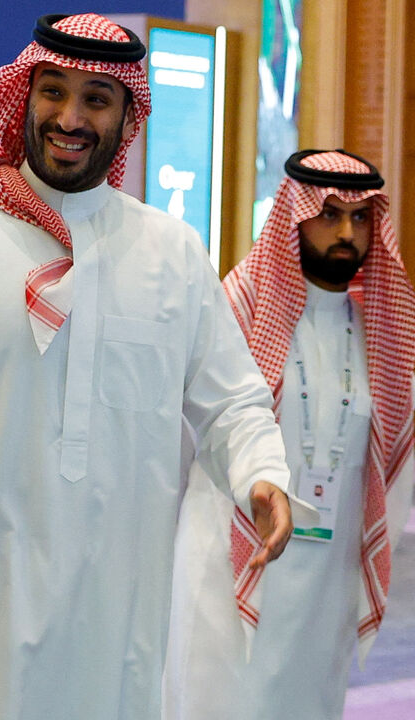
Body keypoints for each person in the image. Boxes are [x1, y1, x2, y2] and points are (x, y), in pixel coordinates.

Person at [0, 13, 301, 719]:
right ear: (24, 96)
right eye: (53, 91)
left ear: (128, 114)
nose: (69, 116)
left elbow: (232, 401)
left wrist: (261, 475)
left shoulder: (171, 253)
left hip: (112, 615)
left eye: (97, 98)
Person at [164, 150, 415, 720]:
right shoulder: (239, 309)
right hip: (229, 566)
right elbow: (183, 439)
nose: (346, 232)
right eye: (328, 214)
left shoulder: (383, 336)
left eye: (359, 217)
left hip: (327, 580)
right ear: (293, 218)